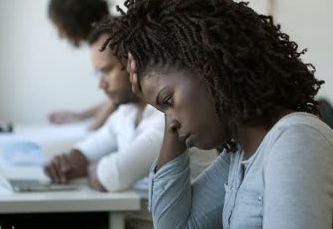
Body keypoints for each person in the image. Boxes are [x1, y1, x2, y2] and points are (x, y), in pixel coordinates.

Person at [100, 0, 333, 228]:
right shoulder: (240, 155)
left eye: (169, 101)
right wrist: (162, 109)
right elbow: (176, 226)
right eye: (162, 110)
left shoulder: (295, 141)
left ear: (209, 67)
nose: (173, 124)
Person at [44, 28, 217, 192]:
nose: (101, 84)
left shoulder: (169, 114)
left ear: (132, 63)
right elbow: (84, 152)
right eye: (98, 74)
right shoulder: (126, 113)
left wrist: (89, 168)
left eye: (106, 71)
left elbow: (109, 177)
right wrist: (66, 164)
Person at [47, 0, 116, 131]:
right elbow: (114, 98)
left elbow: (119, 98)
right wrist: (81, 116)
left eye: (60, 27)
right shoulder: (106, 33)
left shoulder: (109, 38)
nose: (60, 35)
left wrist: (93, 128)